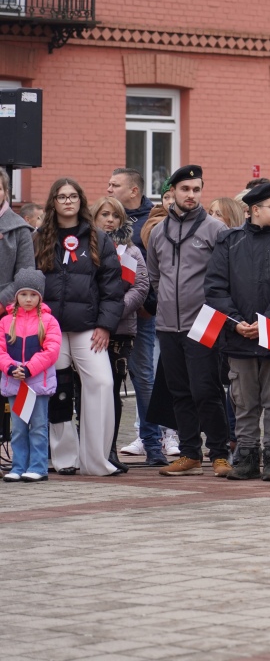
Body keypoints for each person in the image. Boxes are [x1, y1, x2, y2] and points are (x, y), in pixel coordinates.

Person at [205, 182, 270, 482]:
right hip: (238, 335)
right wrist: (235, 321)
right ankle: (246, 457)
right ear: (254, 210)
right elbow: (215, 286)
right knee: (243, 401)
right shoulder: (230, 241)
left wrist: (265, 321)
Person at [146, 165, 232, 477]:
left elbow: (225, 277)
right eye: (185, 189)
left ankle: (220, 454)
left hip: (205, 322)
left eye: (196, 189)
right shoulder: (157, 232)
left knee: (205, 390)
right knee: (179, 391)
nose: (191, 195)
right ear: (173, 192)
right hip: (168, 324)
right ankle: (190, 452)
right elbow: (154, 276)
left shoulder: (216, 229)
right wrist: (167, 302)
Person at [36, 178, 124, 477]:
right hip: (50, 330)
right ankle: (65, 459)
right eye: (61, 197)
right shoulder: (40, 238)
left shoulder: (99, 238)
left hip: (89, 328)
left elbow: (112, 290)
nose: (68, 201)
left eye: (73, 196)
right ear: (53, 203)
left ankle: (96, 459)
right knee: (58, 390)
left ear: (81, 200)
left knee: (101, 383)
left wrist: (105, 325)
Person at [107, 168, 165, 464]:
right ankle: (103, 446)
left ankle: (152, 442)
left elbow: (153, 274)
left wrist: (143, 302)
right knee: (108, 381)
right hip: (104, 317)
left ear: (133, 191)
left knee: (144, 377)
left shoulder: (153, 221)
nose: (109, 189)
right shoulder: (102, 218)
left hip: (141, 313)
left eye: (115, 185)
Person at [91, 197, 151, 470]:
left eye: (115, 215)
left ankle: (110, 450)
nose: (110, 220)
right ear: (94, 218)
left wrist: (112, 314)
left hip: (121, 330)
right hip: (88, 329)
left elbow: (140, 288)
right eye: (104, 214)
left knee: (113, 390)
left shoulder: (132, 251)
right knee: (86, 392)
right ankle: (88, 449)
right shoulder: (84, 248)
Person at [0, 269, 62, 482]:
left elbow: (51, 350)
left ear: (40, 296)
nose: (28, 299)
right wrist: (10, 368)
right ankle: (18, 466)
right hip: (14, 383)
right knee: (17, 428)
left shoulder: (49, 321)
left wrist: (29, 369)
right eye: (24, 294)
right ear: (16, 295)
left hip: (37, 384)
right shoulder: (6, 322)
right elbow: (1, 350)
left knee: (38, 426)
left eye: (33, 295)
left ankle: (38, 466)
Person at [0, 168, 36, 303]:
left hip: (5, 313)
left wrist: (2, 303)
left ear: (6, 193)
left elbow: (25, 275)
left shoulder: (20, 229)